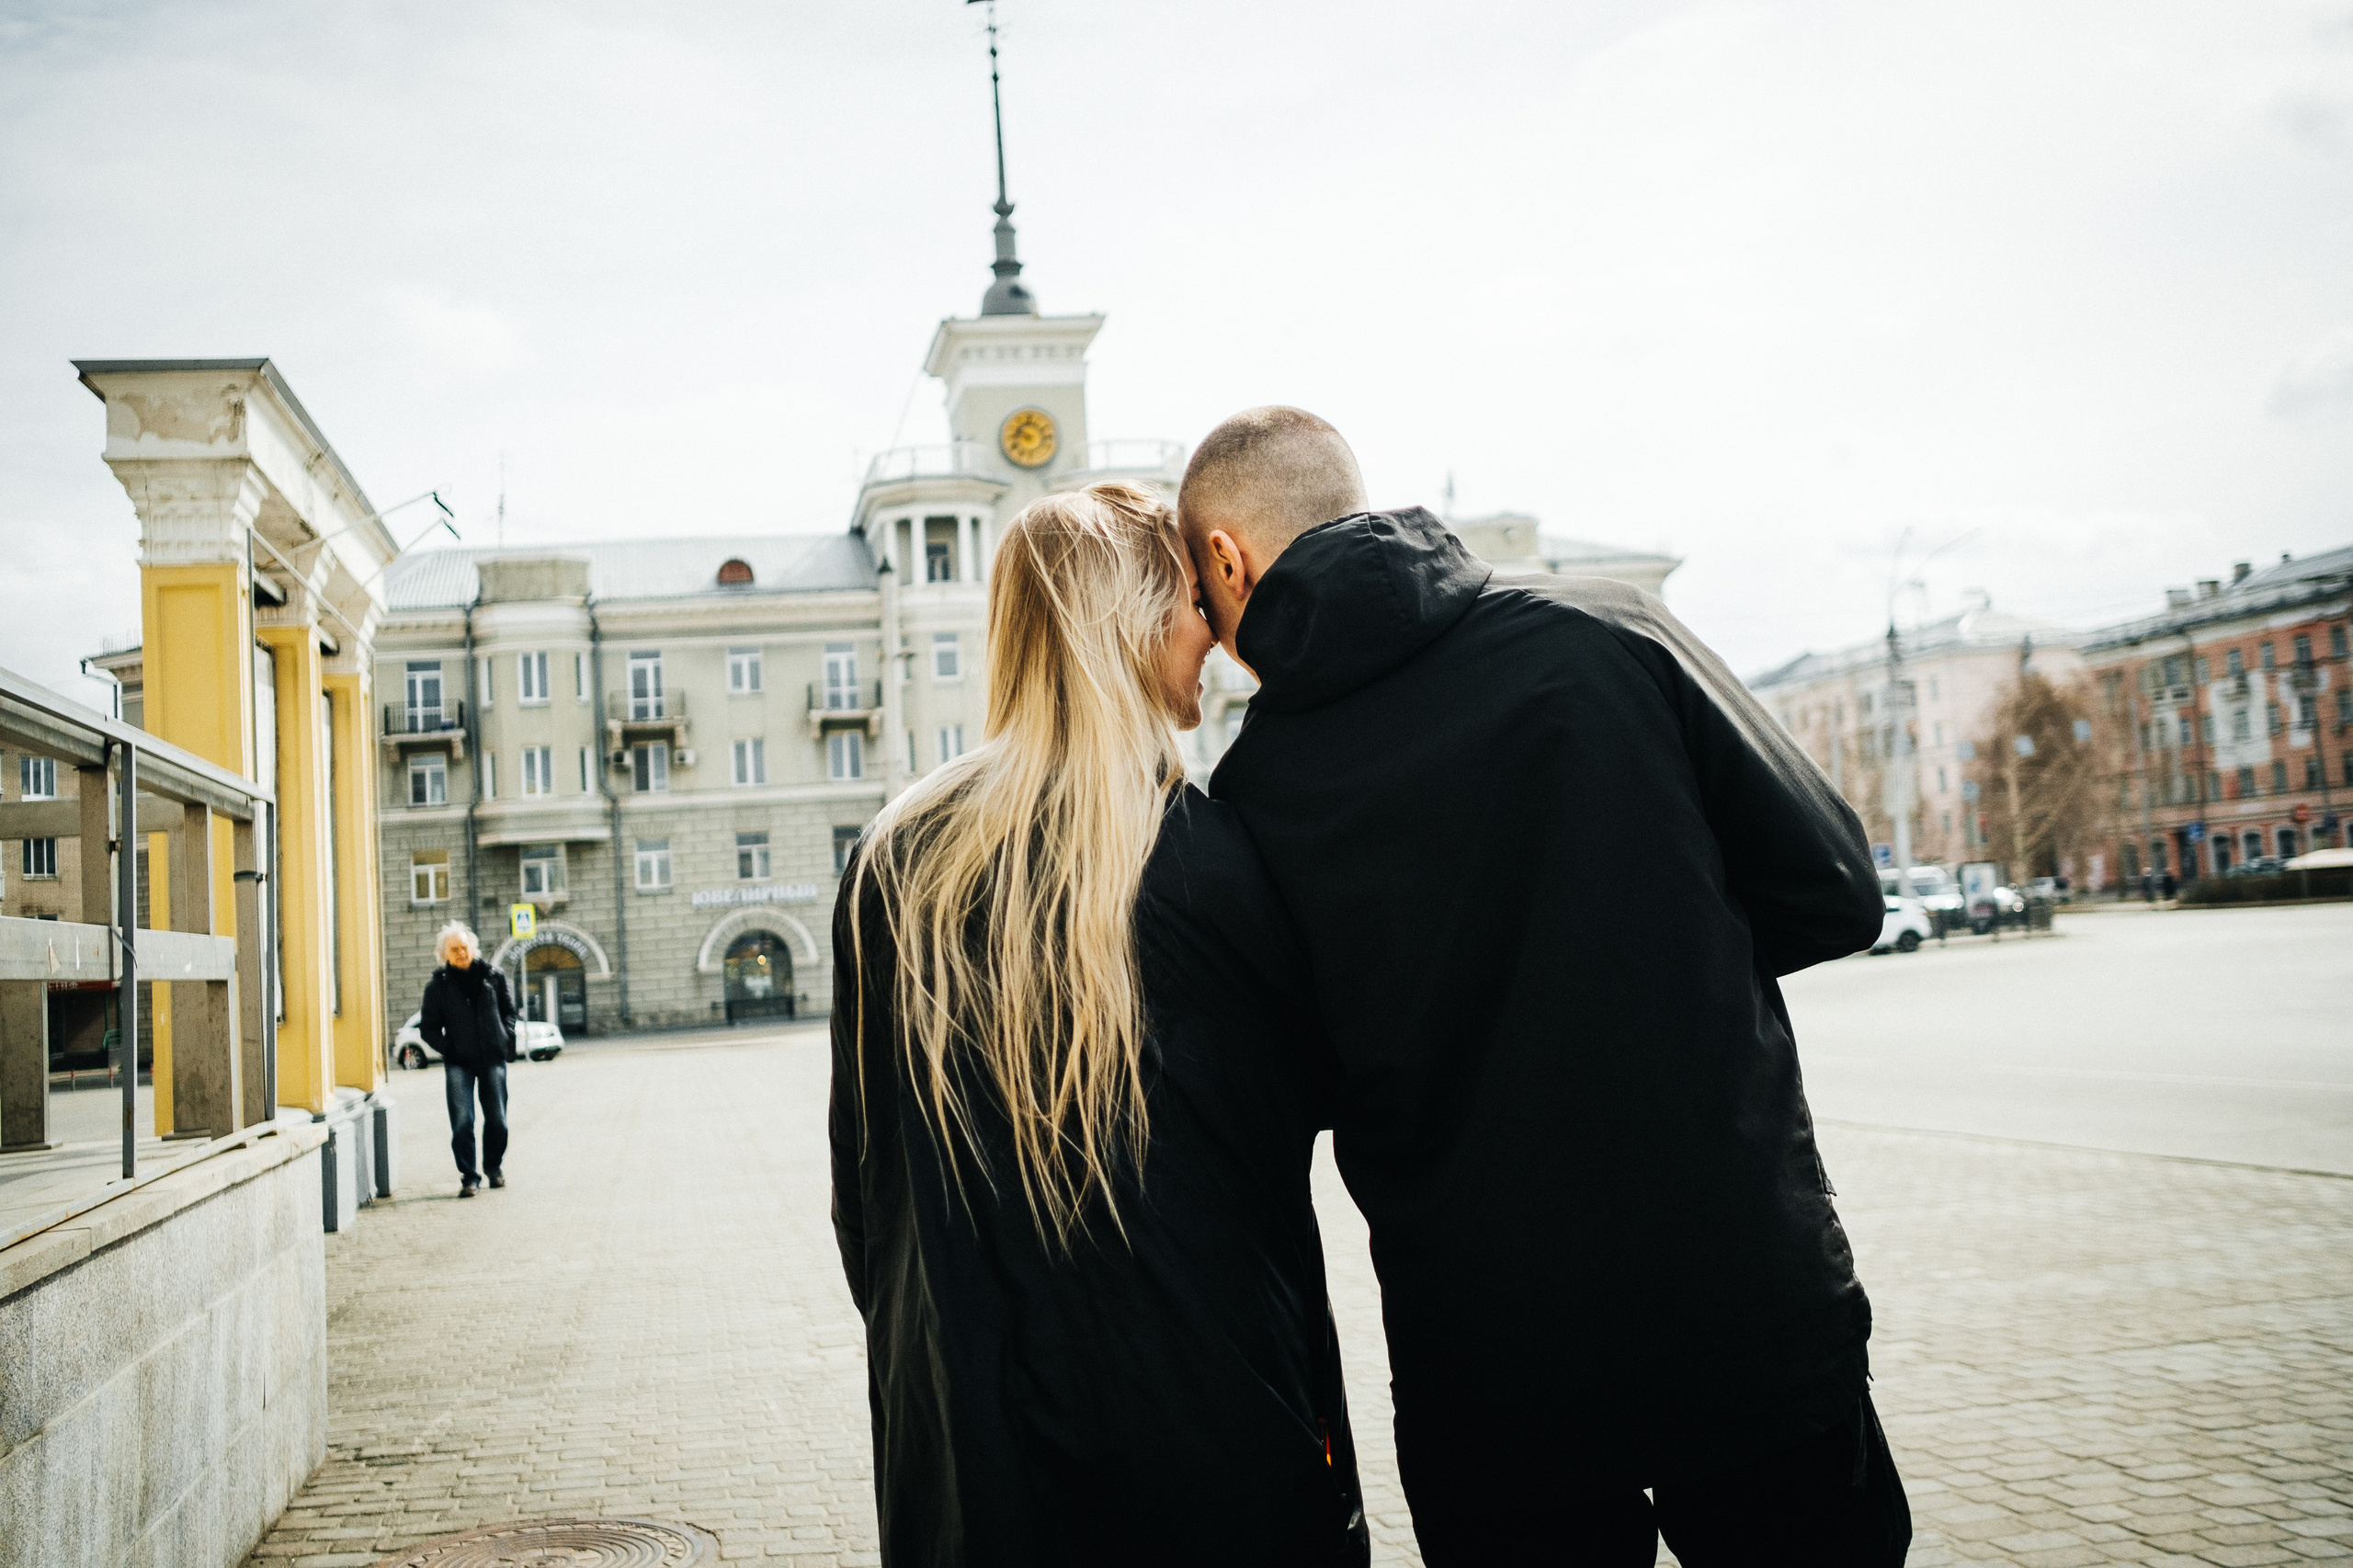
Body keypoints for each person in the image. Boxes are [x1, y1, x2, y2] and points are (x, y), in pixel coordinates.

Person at [1180, 407, 1911, 1566]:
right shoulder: (1605, 629)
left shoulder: (1255, 791)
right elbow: (1834, 890)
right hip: (1740, 1300)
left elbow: (1295, 1083)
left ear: (1226, 558)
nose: (1220, 643)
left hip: (1491, 1366)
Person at [829, 482, 1370, 1568]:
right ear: (1129, 621)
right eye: (1192, 608)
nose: (1214, 639)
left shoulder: (898, 863)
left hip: (969, 1431)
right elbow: (1303, 1115)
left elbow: (865, 1182)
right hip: (1213, 1413)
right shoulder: (1210, 857)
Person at [419, 920, 517, 1198]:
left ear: (472, 948)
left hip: (492, 1058)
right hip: (459, 1062)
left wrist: (504, 1037)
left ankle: (493, 1167)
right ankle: (469, 1177)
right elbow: (427, 1028)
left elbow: (509, 1012)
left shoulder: (493, 977)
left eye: (464, 947)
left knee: (498, 1120)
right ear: (444, 955)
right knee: (462, 1122)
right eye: (454, 949)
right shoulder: (438, 986)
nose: (461, 953)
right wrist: (448, 1048)